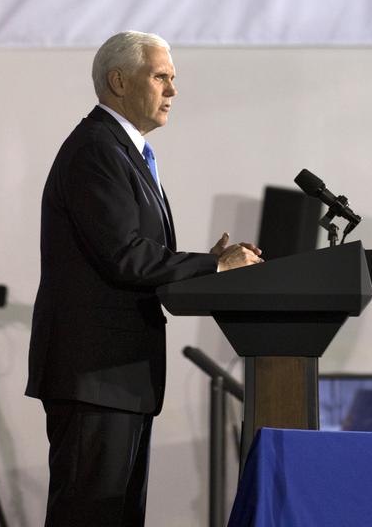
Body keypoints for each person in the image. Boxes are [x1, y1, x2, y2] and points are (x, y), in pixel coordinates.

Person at [26, 31, 262, 527]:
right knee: (89, 516)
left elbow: (135, 252)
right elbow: (124, 256)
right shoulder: (96, 149)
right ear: (118, 81)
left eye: (172, 79)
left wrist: (205, 263)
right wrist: (213, 266)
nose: (172, 91)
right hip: (96, 377)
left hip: (118, 377)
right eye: (160, 77)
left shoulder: (122, 150)